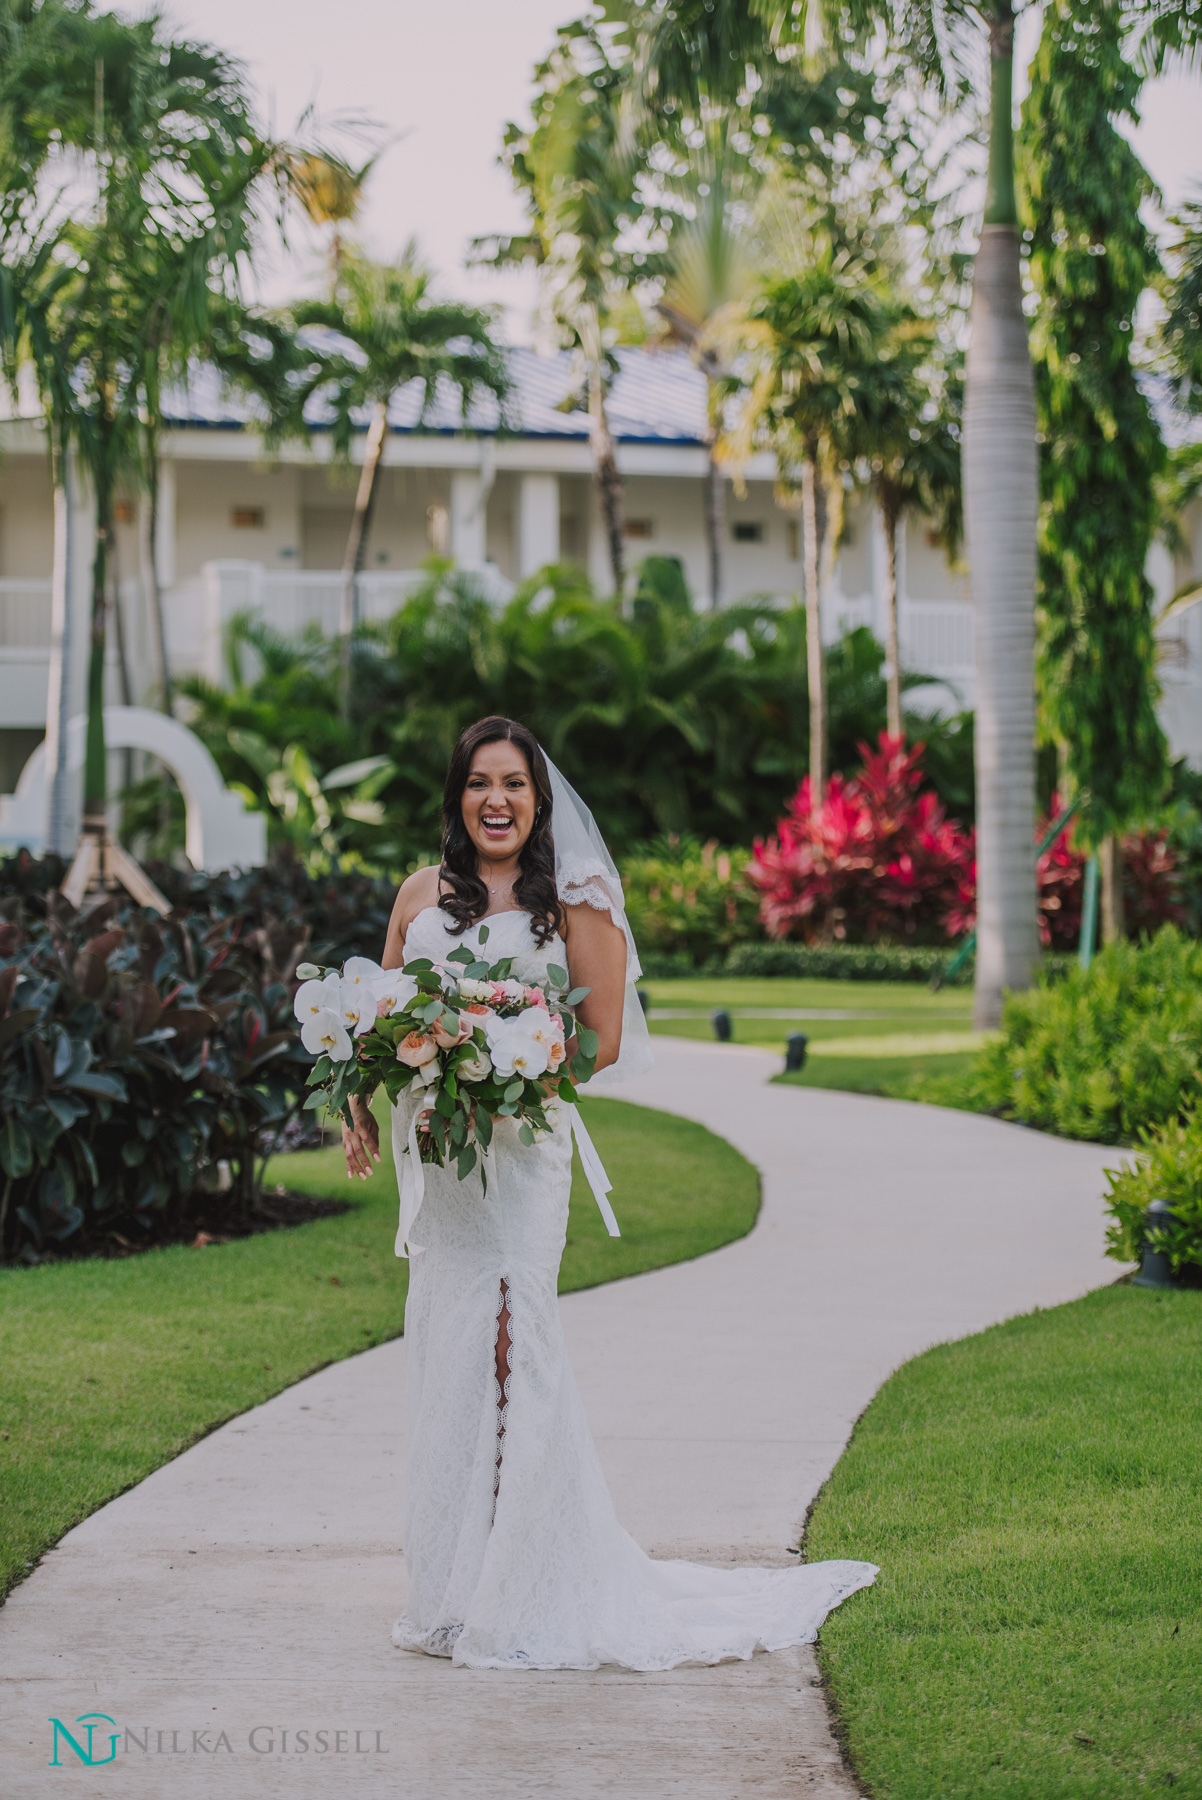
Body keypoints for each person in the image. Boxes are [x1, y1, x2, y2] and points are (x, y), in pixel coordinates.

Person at [342, 715, 876, 1670]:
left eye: (512, 783)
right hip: (442, 1165)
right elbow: (381, 1014)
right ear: (456, 797)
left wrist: (495, 1067)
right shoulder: (420, 893)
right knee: (451, 1345)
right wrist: (361, 1097)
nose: (494, 800)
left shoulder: (575, 900)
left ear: (539, 800)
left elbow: (600, 1040)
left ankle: (525, 1578)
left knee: (512, 1337)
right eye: (477, 783)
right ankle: (457, 1581)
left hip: (520, 1156)